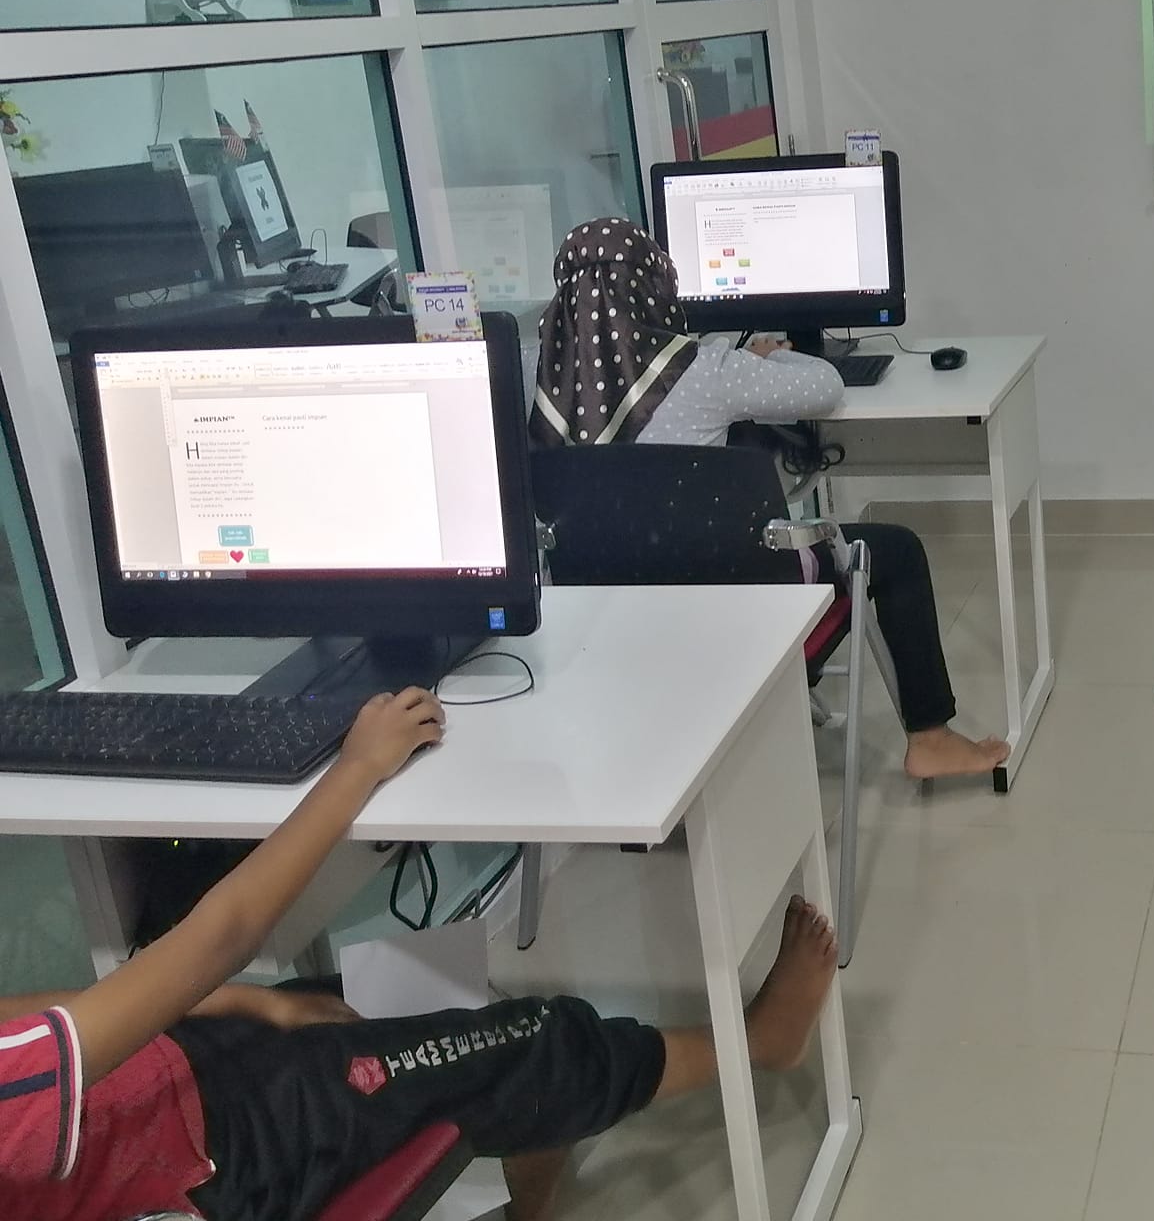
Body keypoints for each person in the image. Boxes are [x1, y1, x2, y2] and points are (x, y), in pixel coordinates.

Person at [0, 689, 839, 1221]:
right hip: (219, 1162)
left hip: (164, 1085)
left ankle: (531, 1148)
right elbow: (223, 936)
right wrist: (358, 767)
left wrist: (254, 1001)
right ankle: (761, 1043)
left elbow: (40, 1024)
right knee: (538, 1035)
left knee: (406, 1006)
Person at [531, 217, 1008, 781]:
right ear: (654, 288)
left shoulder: (544, 400)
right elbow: (826, 387)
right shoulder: (705, 370)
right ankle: (930, 740)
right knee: (897, 550)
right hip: (734, 618)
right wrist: (768, 356)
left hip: (615, 634)